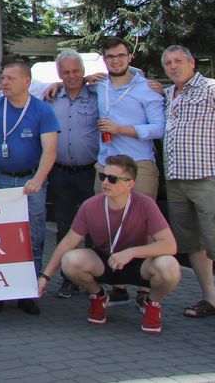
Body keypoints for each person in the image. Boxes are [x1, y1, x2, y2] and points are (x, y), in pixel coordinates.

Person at [37, 155, 181, 334]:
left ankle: (152, 303)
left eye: (112, 179)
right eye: (103, 176)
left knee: (170, 266)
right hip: (105, 262)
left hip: (139, 265)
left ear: (130, 184)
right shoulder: (90, 205)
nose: (105, 182)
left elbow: (170, 245)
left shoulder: (146, 204)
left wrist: (131, 252)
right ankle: (98, 295)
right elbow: (68, 242)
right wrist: (45, 277)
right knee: (70, 260)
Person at [0, 59, 59, 316]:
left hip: (31, 182)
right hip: (1, 180)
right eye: (3, 77)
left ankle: (27, 291)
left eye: (10, 79)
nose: (4, 83)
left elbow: (50, 150)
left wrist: (39, 179)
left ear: (26, 82)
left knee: (33, 238)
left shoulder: (42, 110)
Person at [160, 44, 215, 335]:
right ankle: (211, 299)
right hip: (177, 180)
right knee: (193, 244)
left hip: (208, 179)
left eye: (178, 61)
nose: (173, 66)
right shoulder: (169, 94)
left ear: (192, 63)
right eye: (168, 63)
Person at [94, 37, 165, 308]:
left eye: (120, 55)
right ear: (104, 59)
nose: (116, 61)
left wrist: (120, 129)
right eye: (110, 56)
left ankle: (145, 289)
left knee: (145, 228)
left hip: (139, 165)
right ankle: (118, 285)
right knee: (110, 226)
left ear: (129, 57)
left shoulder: (146, 89)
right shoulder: (99, 85)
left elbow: (159, 128)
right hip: (106, 165)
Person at [46, 50, 100, 299]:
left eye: (76, 71)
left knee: (95, 228)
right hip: (60, 173)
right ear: (59, 74)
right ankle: (69, 279)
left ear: (83, 71)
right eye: (66, 72)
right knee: (64, 227)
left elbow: (130, 76)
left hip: (90, 172)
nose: (71, 76)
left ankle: (93, 278)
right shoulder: (51, 97)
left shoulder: (97, 95)